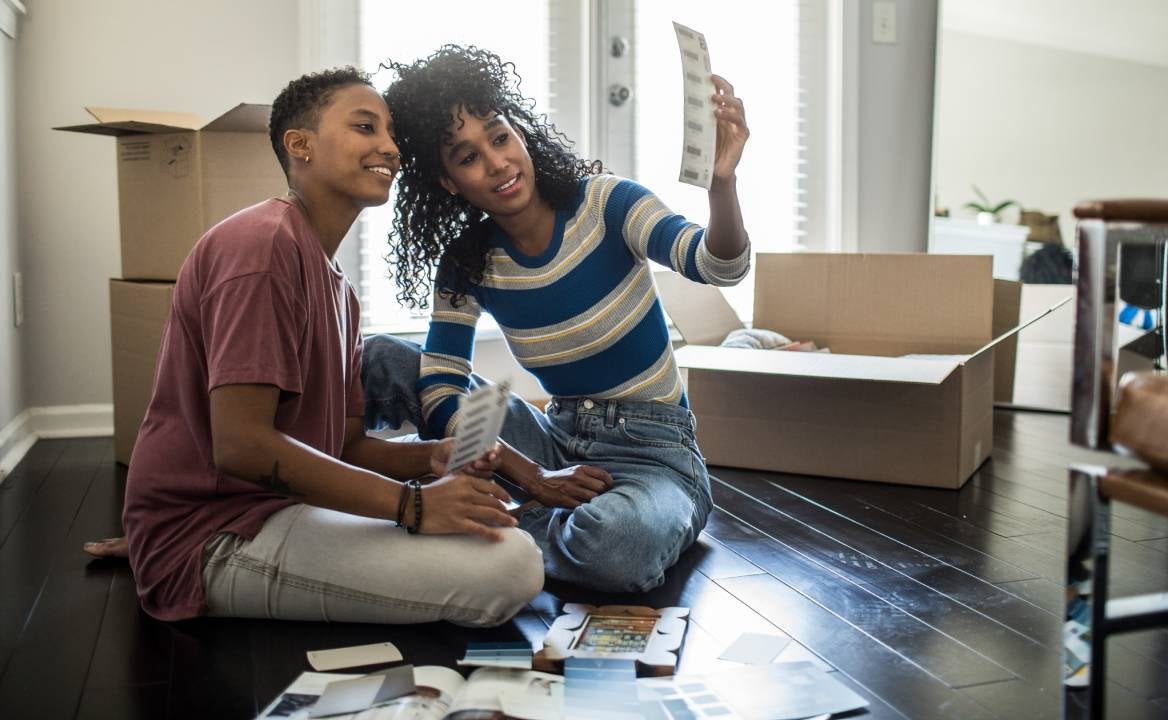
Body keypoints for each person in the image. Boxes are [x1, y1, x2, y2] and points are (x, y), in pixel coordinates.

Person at [116, 66, 543, 625]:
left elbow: (342, 446)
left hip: (281, 511)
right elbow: (240, 446)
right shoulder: (260, 246)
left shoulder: (338, 290)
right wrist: (412, 505)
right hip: (211, 538)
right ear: (301, 146)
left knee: (495, 538)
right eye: (366, 128)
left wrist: (428, 459)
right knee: (510, 568)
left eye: (390, 133)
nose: (389, 147)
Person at [364, 44, 752, 593]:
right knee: (382, 358)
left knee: (615, 549)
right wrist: (534, 476)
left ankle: (454, 512)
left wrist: (722, 183)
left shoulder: (609, 205)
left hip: (654, 458)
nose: (497, 163)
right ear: (449, 182)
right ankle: (369, 489)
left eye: (499, 137)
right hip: (551, 441)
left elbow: (719, 265)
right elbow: (440, 390)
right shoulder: (467, 261)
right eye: (468, 156)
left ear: (519, 133)